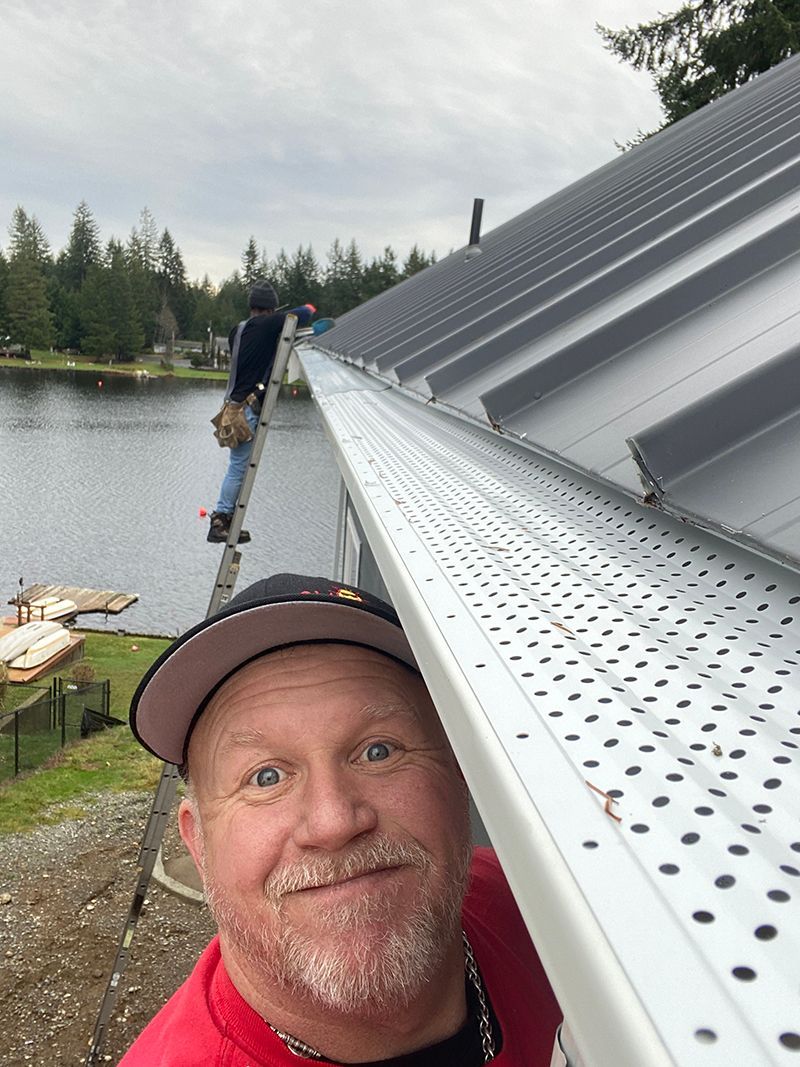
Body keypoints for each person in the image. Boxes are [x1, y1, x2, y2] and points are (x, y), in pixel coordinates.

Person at [122, 573, 563, 1065]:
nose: (333, 823)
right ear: (198, 844)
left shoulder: (542, 913)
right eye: (266, 777)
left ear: (460, 776)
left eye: (378, 751)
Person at [207, 282, 314, 544]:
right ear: (270, 309)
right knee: (238, 466)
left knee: (238, 466)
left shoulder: (239, 331)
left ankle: (228, 520)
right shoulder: (268, 325)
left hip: (232, 406)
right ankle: (220, 518)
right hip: (247, 409)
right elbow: (306, 312)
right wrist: (306, 311)